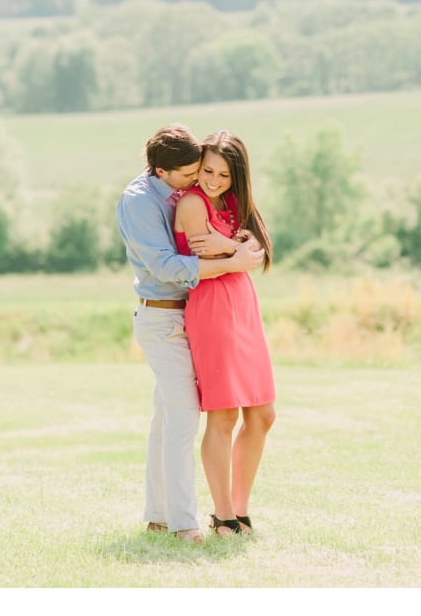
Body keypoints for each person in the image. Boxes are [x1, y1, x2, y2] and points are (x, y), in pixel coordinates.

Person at [117, 124, 265, 545]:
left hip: (189, 314)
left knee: (165, 418)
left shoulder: (179, 192)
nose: (197, 181)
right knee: (183, 419)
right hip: (162, 318)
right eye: (189, 174)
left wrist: (234, 244)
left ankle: (158, 516)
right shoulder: (139, 202)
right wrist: (233, 260)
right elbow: (167, 266)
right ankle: (185, 524)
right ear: (162, 171)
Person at [173, 130, 276, 538]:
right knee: (224, 414)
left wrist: (233, 248)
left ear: (238, 178)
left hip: (244, 307)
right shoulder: (193, 202)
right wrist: (237, 251)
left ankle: (240, 507)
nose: (214, 180)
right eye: (208, 171)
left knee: (263, 415)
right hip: (213, 307)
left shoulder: (234, 204)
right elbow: (207, 252)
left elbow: (258, 251)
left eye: (224, 175)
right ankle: (223, 515)